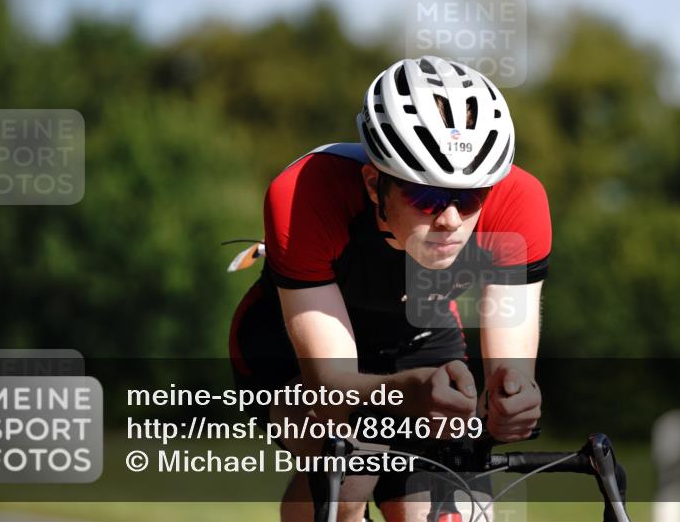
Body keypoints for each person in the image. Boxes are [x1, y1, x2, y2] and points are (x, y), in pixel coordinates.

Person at [229, 55, 551, 522]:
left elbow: (511, 371)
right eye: (426, 196)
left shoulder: (519, 201)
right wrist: (413, 393)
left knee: (452, 508)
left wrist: (512, 398)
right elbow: (329, 384)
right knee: (348, 470)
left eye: (468, 198)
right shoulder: (306, 193)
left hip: (415, 333)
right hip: (291, 344)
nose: (449, 219)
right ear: (374, 182)